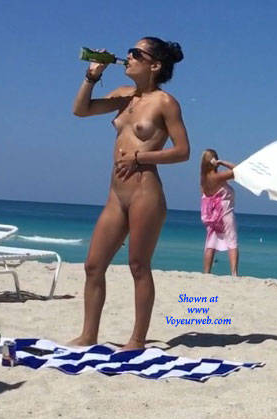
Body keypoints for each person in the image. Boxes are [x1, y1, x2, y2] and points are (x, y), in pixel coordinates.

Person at [70, 37, 189, 350]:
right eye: (129, 52)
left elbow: (183, 151)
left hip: (145, 193)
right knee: (93, 266)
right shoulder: (123, 96)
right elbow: (81, 110)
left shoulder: (165, 103)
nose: (129, 57)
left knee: (138, 266)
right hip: (116, 194)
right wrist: (92, 76)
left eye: (136, 53)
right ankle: (88, 335)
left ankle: (137, 339)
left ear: (155, 65)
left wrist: (140, 157)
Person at [200, 149, 239, 276]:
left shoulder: (203, 180)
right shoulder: (217, 177)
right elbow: (238, 170)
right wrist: (222, 162)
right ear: (214, 160)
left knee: (210, 243)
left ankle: (206, 272)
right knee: (232, 240)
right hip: (225, 212)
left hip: (211, 215)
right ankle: (234, 273)